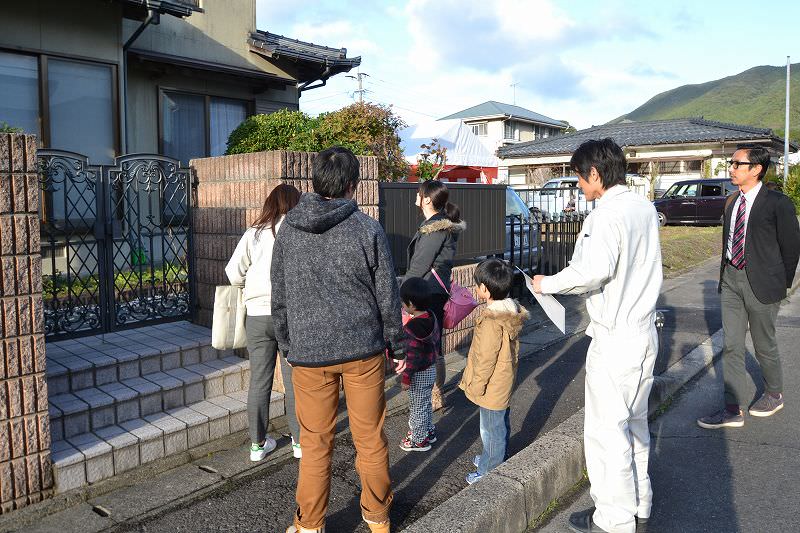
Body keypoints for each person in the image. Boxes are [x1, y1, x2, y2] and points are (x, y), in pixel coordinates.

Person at [531, 138, 662, 533]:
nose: (580, 188)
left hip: (616, 338)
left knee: (608, 434)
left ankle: (613, 520)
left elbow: (592, 270)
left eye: (579, 179)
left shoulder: (605, 215)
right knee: (636, 424)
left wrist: (545, 283)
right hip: (644, 332)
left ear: (595, 173)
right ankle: (641, 504)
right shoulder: (643, 206)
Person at [271, 147, 404, 533]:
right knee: (369, 438)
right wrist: (396, 345)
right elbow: (387, 296)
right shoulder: (367, 228)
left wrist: (287, 348)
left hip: (308, 354)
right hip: (362, 350)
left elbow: (278, 297)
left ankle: (309, 525)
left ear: (314, 181)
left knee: (314, 445)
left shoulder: (288, 231)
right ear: (352, 185)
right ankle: (378, 518)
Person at [697, 144, 800, 429]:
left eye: (737, 164)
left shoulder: (778, 203)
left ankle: (774, 393)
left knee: (764, 343)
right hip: (731, 279)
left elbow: (792, 249)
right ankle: (732, 408)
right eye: (731, 163)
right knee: (730, 345)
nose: (731, 168)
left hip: (763, 284)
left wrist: (782, 286)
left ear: (756, 169)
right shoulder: (731, 202)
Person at [225, 183, 302, 462]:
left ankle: (258, 445)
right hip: (291, 315)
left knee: (260, 380)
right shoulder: (300, 234)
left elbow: (233, 274)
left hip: (257, 315)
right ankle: (298, 442)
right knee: (295, 379)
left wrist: (252, 284)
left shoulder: (253, 235)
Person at [459, 258, 527, 485]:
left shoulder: (491, 321)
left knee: (490, 428)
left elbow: (485, 359)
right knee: (499, 423)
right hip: (503, 380)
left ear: (485, 290)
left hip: (491, 385)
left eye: (477, 285)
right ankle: (495, 456)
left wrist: (477, 386)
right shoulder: (510, 311)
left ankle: (489, 468)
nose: (476, 288)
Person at [404, 180, 465, 409]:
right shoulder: (437, 225)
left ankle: (434, 395)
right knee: (433, 343)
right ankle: (434, 393)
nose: (416, 196)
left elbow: (419, 265)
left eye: (419, 193)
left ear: (427, 199)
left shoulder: (435, 229)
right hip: (432, 291)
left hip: (427, 292)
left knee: (430, 345)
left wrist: (402, 294)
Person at [397, 277, 440, 452]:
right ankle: (428, 430)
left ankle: (419, 439)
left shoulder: (412, 329)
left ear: (411, 305)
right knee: (425, 403)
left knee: (417, 406)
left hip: (419, 373)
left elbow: (413, 358)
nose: (402, 306)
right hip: (431, 368)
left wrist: (406, 379)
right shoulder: (431, 316)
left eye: (403, 303)